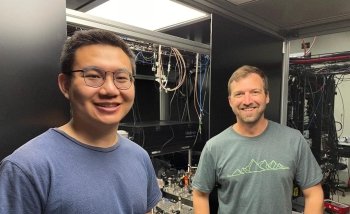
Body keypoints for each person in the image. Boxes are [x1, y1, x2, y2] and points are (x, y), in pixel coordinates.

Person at [0, 29, 162, 213]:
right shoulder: (27, 168)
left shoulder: (139, 157)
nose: (110, 89)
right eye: (93, 76)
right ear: (66, 85)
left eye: (121, 78)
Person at [192, 65, 324, 214]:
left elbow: (313, 193)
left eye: (255, 92)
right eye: (239, 94)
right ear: (230, 101)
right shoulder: (214, 147)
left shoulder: (293, 140)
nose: (247, 101)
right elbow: (200, 195)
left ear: (266, 96)